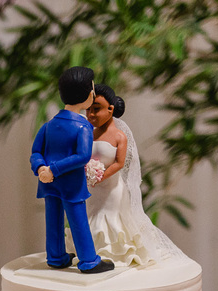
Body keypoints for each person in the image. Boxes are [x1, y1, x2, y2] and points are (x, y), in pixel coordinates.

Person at [84, 85, 193, 269]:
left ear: (110, 109)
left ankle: (116, 253)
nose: (91, 114)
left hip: (111, 188)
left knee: (109, 217)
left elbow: (119, 163)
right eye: (88, 109)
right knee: (92, 216)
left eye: (96, 109)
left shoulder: (120, 137)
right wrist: (88, 171)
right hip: (94, 187)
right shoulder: (90, 134)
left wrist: (101, 175)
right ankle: (93, 252)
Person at [30, 67, 114, 274]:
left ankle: (56, 257)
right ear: (85, 96)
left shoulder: (48, 125)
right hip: (70, 185)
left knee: (53, 220)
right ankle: (88, 261)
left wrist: (42, 168)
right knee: (78, 222)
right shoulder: (83, 127)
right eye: (92, 91)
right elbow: (82, 156)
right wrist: (52, 169)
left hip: (49, 183)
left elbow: (35, 152)